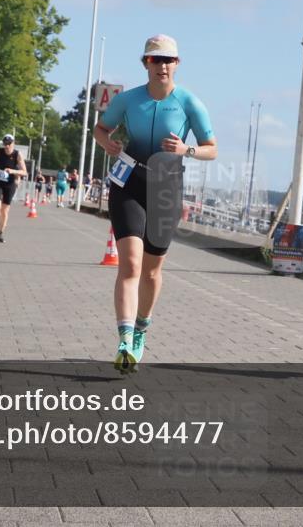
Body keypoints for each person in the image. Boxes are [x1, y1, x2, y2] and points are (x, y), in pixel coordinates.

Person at [94, 34, 216, 373]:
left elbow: (211, 148)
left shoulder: (190, 103)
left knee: (151, 270)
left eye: (167, 60)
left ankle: (141, 329)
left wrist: (186, 150)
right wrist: (108, 144)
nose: (161, 65)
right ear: (144, 63)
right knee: (130, 264)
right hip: (129, 183)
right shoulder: (129, 100)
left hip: (166, 188)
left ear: (177, 63)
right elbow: (100, 129)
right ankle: (123, 338)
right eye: (154, 59)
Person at [0, 134, 27, 243]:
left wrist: (13, 171)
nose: (7, 146)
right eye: (5, 144)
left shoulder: (18, 155)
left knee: (4, 210)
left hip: (9, 184)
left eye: (9, 144)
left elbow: (24, 172)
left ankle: (0, 233)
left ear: (13, 143)